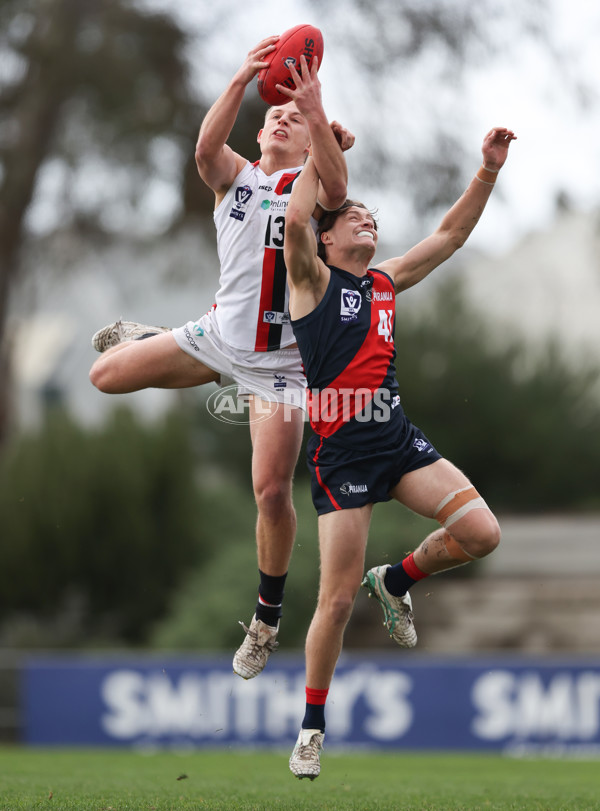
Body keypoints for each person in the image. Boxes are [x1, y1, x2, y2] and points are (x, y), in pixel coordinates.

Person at [89, 39, 353, 679]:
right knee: (103, 376)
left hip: (281, 367)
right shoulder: (237, 179)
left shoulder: (310, 184)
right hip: (219, 337)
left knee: (268, 490)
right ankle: (179, 346)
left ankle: (266, 617)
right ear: (259, 135)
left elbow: (339, 185)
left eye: (293, 118)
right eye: (276, 117)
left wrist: (320, 124)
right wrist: (240, 77)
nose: (284, 120)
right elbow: (204, 150)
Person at [283, 126, 517, 779]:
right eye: (353, 214)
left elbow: (450, 237)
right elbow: (296, 217)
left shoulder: (384, 281)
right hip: (343, 457)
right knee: (332, 602)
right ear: (327, 238)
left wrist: (488, 173)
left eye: (372, 216)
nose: (367, 219)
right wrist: (314, 157)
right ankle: (312, 726)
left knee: (481, 531)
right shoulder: (310, 279)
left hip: (396, 441)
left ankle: (395, 580)